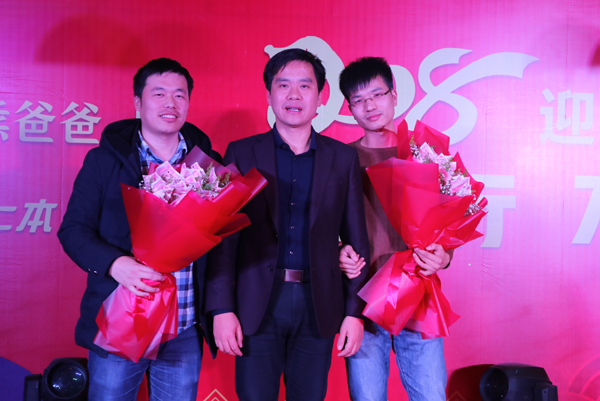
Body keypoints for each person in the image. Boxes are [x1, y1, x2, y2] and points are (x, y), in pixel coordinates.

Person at [205, 48, 370, 401]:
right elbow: (223, 241)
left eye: (304, 86)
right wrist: (221, 308)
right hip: (255, 306)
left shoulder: (342, 159)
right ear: (269, 95)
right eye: (283, 85)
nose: (294, 95)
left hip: (318, 306)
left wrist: (354, 313)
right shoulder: (241, 153)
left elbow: (357, 240)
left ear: (320, 97)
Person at [58, 58, 217, 401]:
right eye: (159, 93)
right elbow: (73, 230)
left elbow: (221, 247)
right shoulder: (104, 161)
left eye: (179, 95)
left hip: (183, 325)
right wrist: (115, 264)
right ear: (138, 102)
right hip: (120, 320)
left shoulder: (207, 166)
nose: (170, 103)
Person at [338, 57, 453, 401]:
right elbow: (324, 225)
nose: (370, 106)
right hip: (363, 299)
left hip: (417, 294)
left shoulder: (425, 154)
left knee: (431, 395)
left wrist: (444, 256)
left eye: (377, 94)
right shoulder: (340, 160)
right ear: (349, 108)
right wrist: (337, 251)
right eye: (359, 100)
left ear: (394, 95)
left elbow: (451, 218)